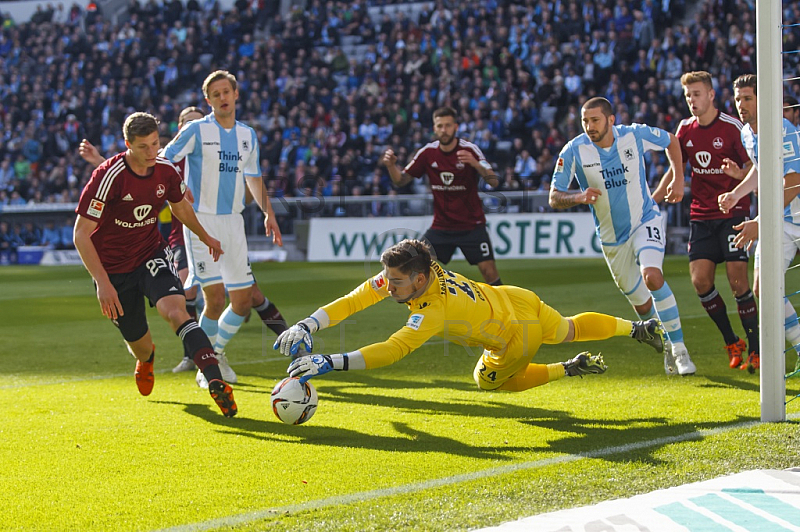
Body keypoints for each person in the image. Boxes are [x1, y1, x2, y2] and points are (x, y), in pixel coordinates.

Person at [274, 239, 667, 389]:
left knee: (487, 381)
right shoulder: (422, 268)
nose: (387, 286)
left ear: (420, 278)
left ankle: (570, 368)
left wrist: (331, 361)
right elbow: (357, 298)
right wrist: (309, 323)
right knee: (567, 328)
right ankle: (636, 327)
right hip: (516, 297)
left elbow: (394, 350)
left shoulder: (433, 310)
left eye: (395, 282)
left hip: (516, 334)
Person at [81, 106, 289, 375]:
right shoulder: (170, 158)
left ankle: (285, 343)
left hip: (212, 231)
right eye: (186, 124)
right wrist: (100, 160)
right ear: (180, 129)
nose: (193, 128)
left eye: (197, 122)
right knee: (189, 296)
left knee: (248, 296)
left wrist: (256, 205)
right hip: (180, 236)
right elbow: (128, 171)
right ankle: (192, 356)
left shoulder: (212, 156)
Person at [73, 112, 237, 417]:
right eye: (143, 147)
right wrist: (103, 284)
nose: (152, 153)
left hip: (150, 253)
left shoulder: (165, 169)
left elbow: (181, 209)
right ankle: (146, 360)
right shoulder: (108, 176)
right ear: (127, 145)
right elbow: (80, 235)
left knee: (176, 310)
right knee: (142, 346)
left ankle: (214, 378)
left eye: (155, 144)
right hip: (113, 270)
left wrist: (207, 237)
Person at [549, 96, 697, 376]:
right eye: (585, 121)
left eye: (595, 120)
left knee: (652, 276)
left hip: (644, 220)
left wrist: (679, 178)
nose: (589, 126)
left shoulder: (633, 134)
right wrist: (579, 196)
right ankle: (665, 344)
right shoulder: (573, 151)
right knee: (642, 307)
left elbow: (672, 141)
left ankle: (679, 350)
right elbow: (554, 197)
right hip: (611, 240)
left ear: (610, 120)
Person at [163, 70, 283, 389]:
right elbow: (164, 159)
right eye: (215, 94)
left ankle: (213, 353)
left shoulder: (247, 135)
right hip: (201, 220)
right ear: (208, 101)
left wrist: (268, 214)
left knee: (242, 302)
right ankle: (206, 366)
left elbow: (253, 178)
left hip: (233, 221)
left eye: (226, 91)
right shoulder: (196, 130)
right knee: (214, 298)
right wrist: (180, 185)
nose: (222, 97)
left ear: (235, 94)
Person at [652, 71, 757, 370]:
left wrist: (738, 174)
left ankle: (756, 348)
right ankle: (731, 341)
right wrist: (652, 201)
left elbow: (754, 164)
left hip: (733, 212)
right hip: (701, 215)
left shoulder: (732, 127)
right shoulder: (685, 129)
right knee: (700, 281)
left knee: (738, 281)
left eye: (697, 94)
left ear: (711, 95)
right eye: (688, 96)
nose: (692, 101)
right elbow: (674, 169)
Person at [718, 74, 800, 373]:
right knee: (764, 285)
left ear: (762, 99)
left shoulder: (782, 130)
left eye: (747, 98)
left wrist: (759, 221)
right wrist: (736, 191)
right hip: (782, 221)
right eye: (738, 99)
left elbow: (793, 181)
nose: (741, 105)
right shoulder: (746, 134)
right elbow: (760, 168)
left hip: (793, 213)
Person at [381, 107, 503, 285]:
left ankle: (504, 311)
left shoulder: (470, 149)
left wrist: (476, 164)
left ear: (455, 127)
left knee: (489, 271)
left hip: (471, 225)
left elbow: (494, 182)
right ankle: (427, 308)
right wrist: (391, 166)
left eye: (447, 125)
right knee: (417, 266)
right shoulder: (427, 153)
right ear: (434, 128)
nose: (444, 130)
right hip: (441, 226)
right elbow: (400, 181)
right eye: (440, 126)